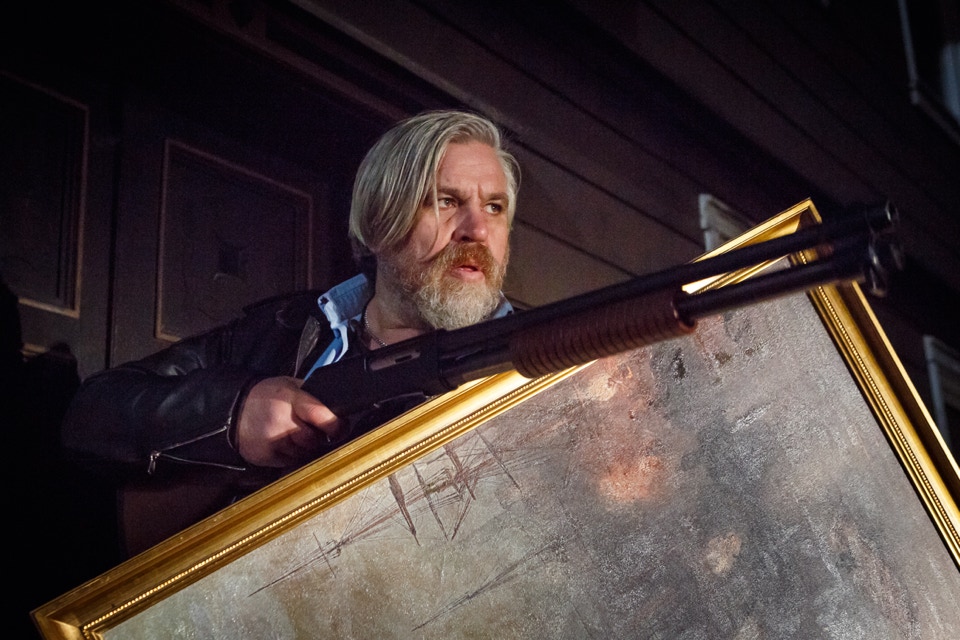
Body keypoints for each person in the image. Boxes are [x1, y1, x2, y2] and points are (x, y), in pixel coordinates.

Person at [61, 110, 520, 489]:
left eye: (494, 207)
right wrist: (234, 414)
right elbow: (90, 415)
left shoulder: (535, 372)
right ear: (378, 223)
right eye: (446, 201)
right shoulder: (284, 327)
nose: (478, 230)